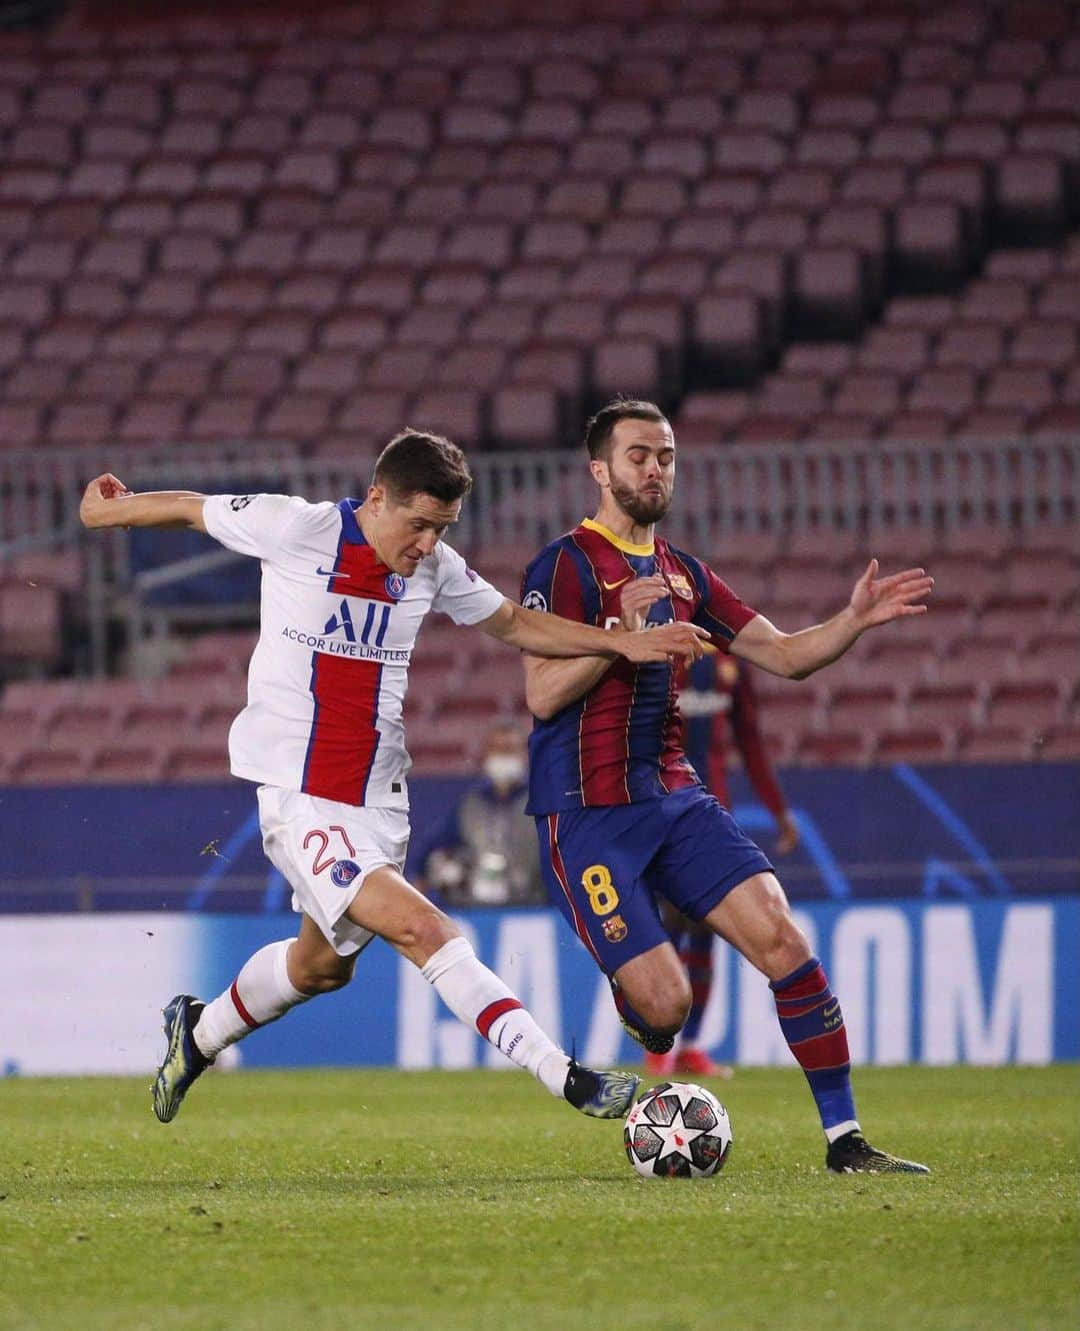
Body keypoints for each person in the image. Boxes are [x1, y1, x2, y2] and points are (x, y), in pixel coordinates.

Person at [79, 429, 707, 1126]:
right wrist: (109, 511)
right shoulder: (299, 528)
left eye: (442, 528)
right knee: (426, 928)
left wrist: (618, 641)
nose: (426, 544)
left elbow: (516, 624)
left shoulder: (433, 566)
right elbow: (195, 508)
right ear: (377, 497)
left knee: (321, 967)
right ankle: (566, 1075)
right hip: (301, 796)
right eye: (418, 525)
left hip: (379, 803)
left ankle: (195, 1033)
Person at [520, 399, 933, 1174]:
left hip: (674, 796)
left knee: (783, 939)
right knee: (667, 1007)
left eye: (666, 455)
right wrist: (622, 642)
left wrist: (850, 621)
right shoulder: (565, 565)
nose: (654, 468)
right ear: (599, 470)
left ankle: (845, 1140)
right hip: (586, 813)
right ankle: (639, 1002)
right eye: (638, 454)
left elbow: (787, 655)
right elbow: (542, 695)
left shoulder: (683, 572)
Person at [648, 653, 800, 1079]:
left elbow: (748, 741)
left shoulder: (731, 663)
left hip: (711, 809)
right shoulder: (659, 650)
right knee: (669, 921)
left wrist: (779, 812)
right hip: (657, 805)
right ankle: (659, 1041)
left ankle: (690, 1045)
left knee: (705, 925)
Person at [423, 722, 546, 907]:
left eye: (509, 749)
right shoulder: (471, 804)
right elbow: (435, 846)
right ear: (487, 754)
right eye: (497, 749)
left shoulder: (542, 800)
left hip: (532, 904)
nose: (503, 756)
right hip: (477, 903)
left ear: (524, 754)